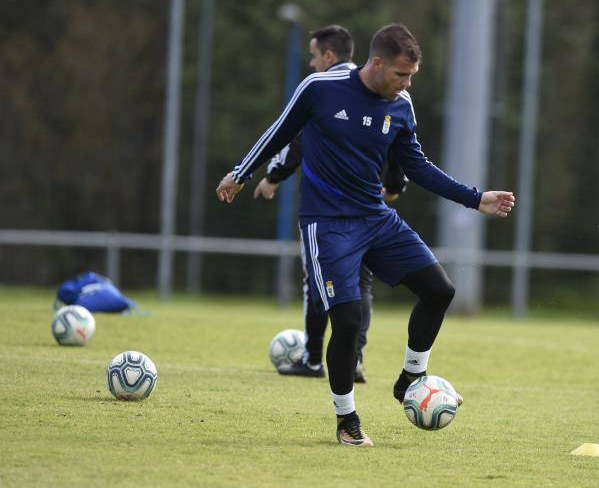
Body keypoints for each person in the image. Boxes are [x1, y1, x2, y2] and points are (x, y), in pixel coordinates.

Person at [216, 23, 515, 447]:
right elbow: (281, 130)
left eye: (411, 75)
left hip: (376, 219)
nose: (407, 84)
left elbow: (417, 166)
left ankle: (411, 376)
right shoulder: (320, 87)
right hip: (327, 226)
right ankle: (346, 420)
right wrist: (241, 173)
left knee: (439, 290)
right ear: (376, 64)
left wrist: (476, 197)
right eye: (401, 75)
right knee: (349, 321)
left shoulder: (402, 105)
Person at [253, 24, 408, 383]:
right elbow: (399, 139)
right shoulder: (376, 90)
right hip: (370, 210)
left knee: (318, 283)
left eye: (312, 56)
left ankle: (311, 358)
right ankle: (355, 358)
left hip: (329, 215)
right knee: (361, 285)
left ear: (328, 55)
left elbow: (295, 138)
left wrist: (273, 178)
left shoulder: (325, 91)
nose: (310, 64)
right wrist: (394, 185)